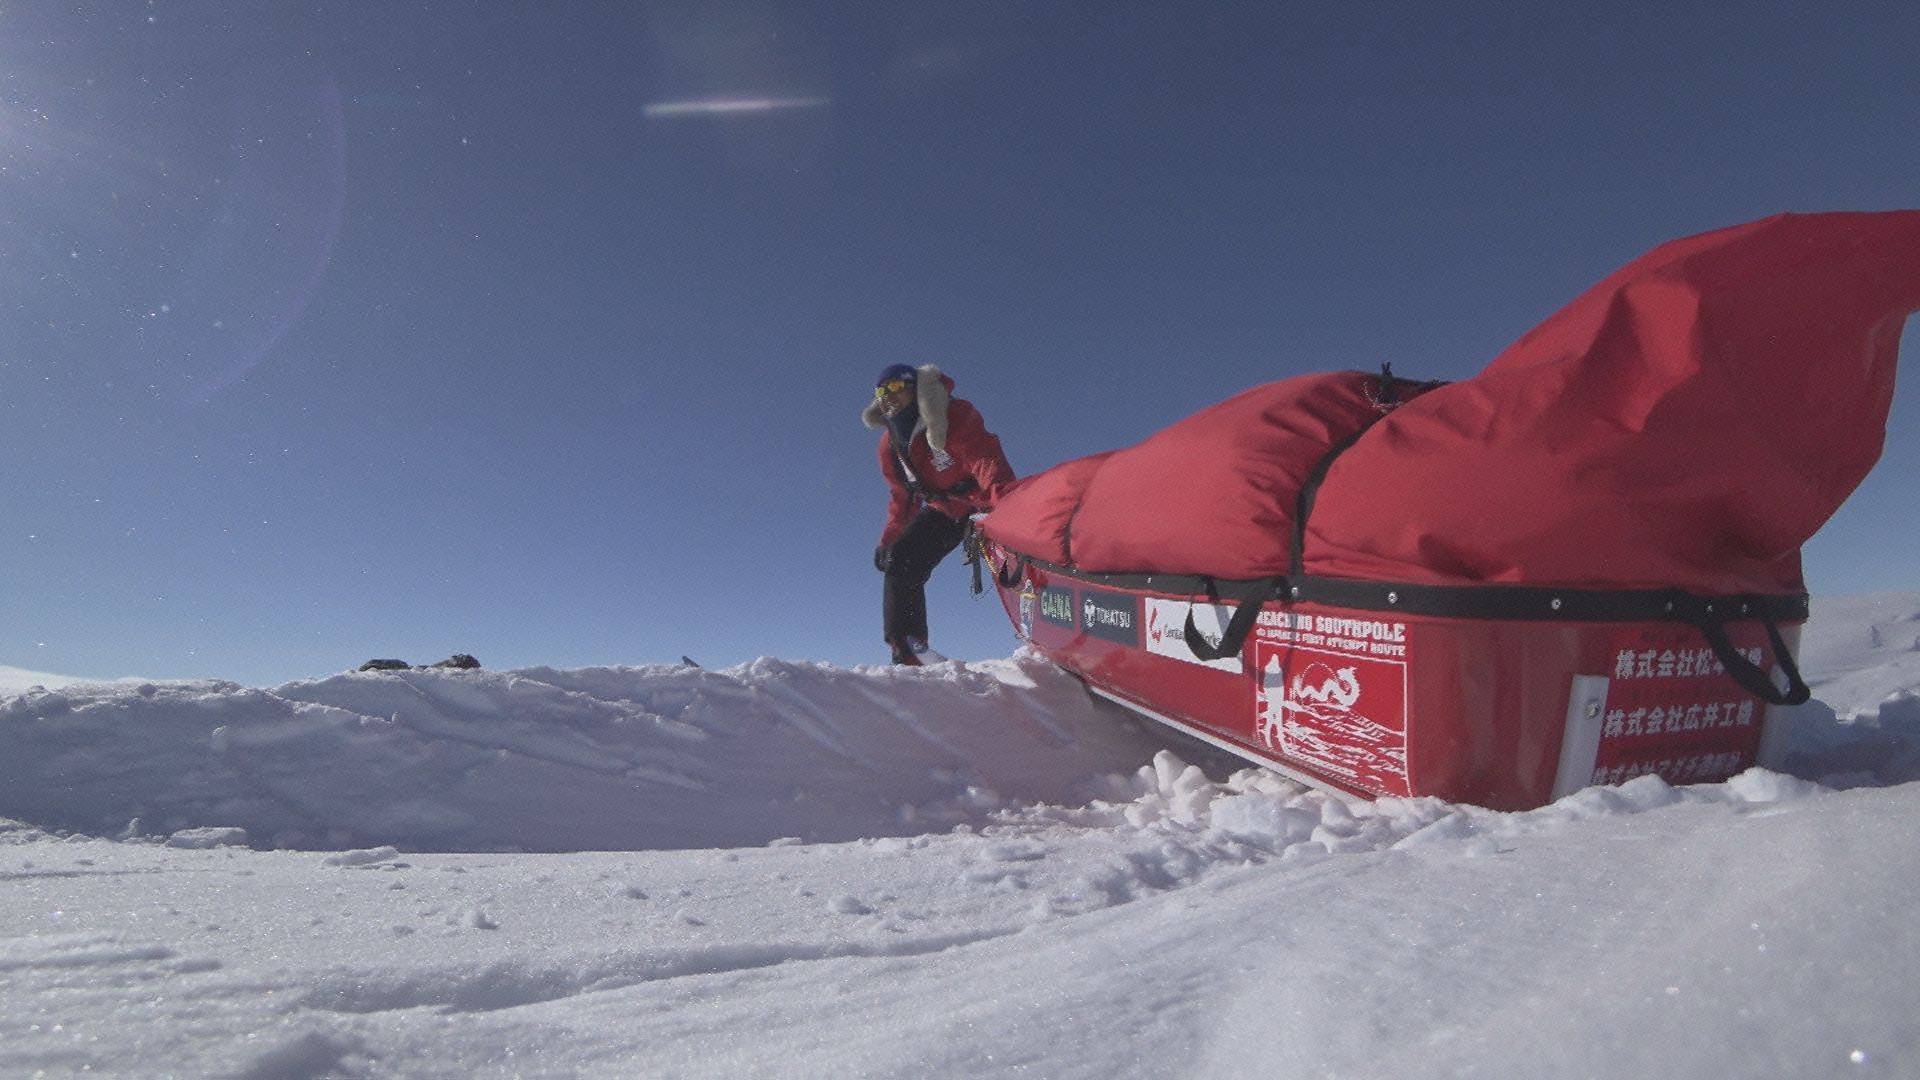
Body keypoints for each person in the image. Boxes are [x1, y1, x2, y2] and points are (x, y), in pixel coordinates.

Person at [862, 363, 1015, 665]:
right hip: (944, 511)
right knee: (901, 560)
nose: (887, 397)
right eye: (880, 392)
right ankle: (908, 649)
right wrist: (888, 541)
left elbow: (984, 458)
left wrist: (1007, 505)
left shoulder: (953, 414)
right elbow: (902, 496)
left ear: (914, 389)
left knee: (1017, 559)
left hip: (982, 503)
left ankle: (1048, 618)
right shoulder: (890, 445)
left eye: (894, 387)